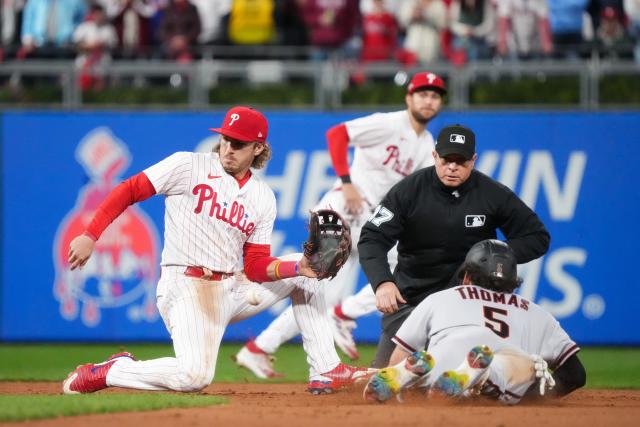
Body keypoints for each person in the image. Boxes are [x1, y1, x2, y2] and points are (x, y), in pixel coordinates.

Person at [62, 106, 370, 395]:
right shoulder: (188, 165)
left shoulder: (262, 196)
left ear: (258, 149)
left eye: (238, 143)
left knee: (306, 273)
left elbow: (256, 266)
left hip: (232, 288)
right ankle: (113, 371)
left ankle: (326, 369)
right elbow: (130, 189)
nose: (228, 148)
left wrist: (298, 268)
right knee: (195, 377)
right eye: (225, 139)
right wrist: (91, 234)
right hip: (185, 286)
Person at [234, 72, 446, 377]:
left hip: (372, 222)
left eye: (435, 96)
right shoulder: (388, 123)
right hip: (342, 211)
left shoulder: (427, 146)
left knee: (399, 272)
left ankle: (266, 345)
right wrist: (347, 182)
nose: (428, 100)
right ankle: (285, 321)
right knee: (315, 286)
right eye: (422, 94)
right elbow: (337, 134)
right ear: (408, 98)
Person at [359, 124, 551, 368]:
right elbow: (372, 237)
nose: (452, 167)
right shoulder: (409, 191)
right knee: (382, 382)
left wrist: (495, 256)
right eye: (446, 159)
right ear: (434, 156)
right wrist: (382, 282)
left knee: (463, 383)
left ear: (473, 160)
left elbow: (536, 236)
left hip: (469, 308)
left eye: (460, 161)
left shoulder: (492, 194)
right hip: (412, 304)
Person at [363, 239, 586, 404]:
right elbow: (575, 374)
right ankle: (483, 374)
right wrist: (535, 399)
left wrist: (395, 373)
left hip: (446, 350)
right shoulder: (537, 313)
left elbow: (402, 350)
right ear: (513, 280)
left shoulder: (441, 298)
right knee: (527, 366)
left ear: (467, 276)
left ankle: (410, 375)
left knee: (431, 368)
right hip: (496, 358)